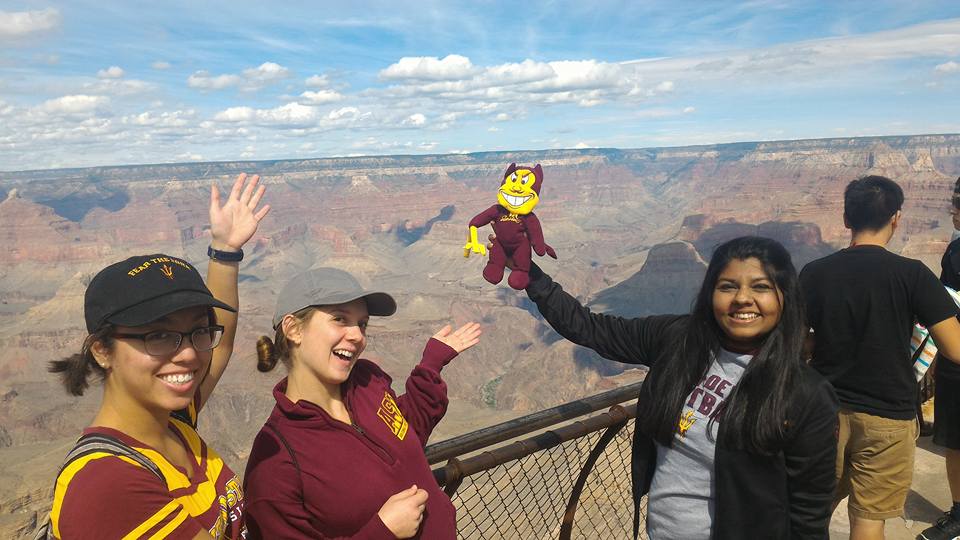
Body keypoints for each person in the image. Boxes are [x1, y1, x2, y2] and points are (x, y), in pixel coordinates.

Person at [515, 235, 838, 539]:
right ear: (711, 293)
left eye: (760, 287)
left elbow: (809, 510)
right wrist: (531, 275)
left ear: (784, 297)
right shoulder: (678, 340)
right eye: (728, 286)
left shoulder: (803, 393)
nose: (742, 298)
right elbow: (591, 329)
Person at [44, 173, 269, 539]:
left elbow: (221, 342)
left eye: (197, 331)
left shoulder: (174, 421)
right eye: (159, 336)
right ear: (102, 350)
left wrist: (225, 251)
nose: (187, 354)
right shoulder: (107, 483)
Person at [243, 267, 481, 539]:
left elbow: (407, 433)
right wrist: (383, 531)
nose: (357, 335)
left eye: (362, 323)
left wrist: (430, 366)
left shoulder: (368, 382)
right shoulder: (275, 461)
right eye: (340, 319)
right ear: (294, 329)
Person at [801, 175, 960, 540]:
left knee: (812, 512)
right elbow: (955, 348)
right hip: (889, 417)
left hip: (825, 412)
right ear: (896, 218)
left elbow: (795, 342)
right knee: (869, 521)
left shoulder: (814, 273)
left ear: (845, 220)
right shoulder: (912, 275)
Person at [918, 176, 960, 540]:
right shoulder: (956, 250)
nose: (953, 209)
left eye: (959, 202)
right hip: (955, 359)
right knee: (954, 441)